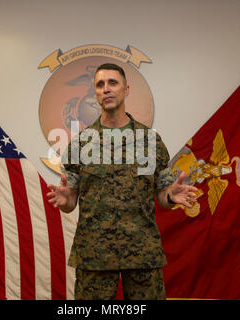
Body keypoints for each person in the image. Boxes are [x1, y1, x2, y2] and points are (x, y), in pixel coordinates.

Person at [47, 63, 198, 300]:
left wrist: (171, 195)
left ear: (126, 89)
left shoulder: (149, 140)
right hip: (94, 254)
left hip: (142, 253)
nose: (106, 89)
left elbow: (163, 196)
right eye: (100, 85)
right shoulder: (81, 143)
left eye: (113, 83)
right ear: (95, 93)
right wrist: (66, 199)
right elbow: (71, 201)